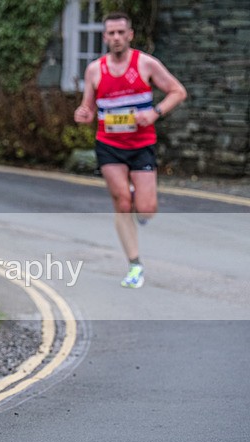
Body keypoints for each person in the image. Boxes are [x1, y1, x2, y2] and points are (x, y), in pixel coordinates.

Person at [74, 12, 186, 288]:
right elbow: (88, 106)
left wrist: (155, 112)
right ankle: (135, 265)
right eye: (111, 33)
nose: (116, 38)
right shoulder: (94, 70)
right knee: (121, 202)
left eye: (120, 32)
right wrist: (83, 113)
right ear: (105, 37)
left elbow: (177, 91)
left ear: (130, 35)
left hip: (141, 144)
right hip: (109, 145)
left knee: (146, 210)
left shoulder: (146, 64)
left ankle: (139, 198)